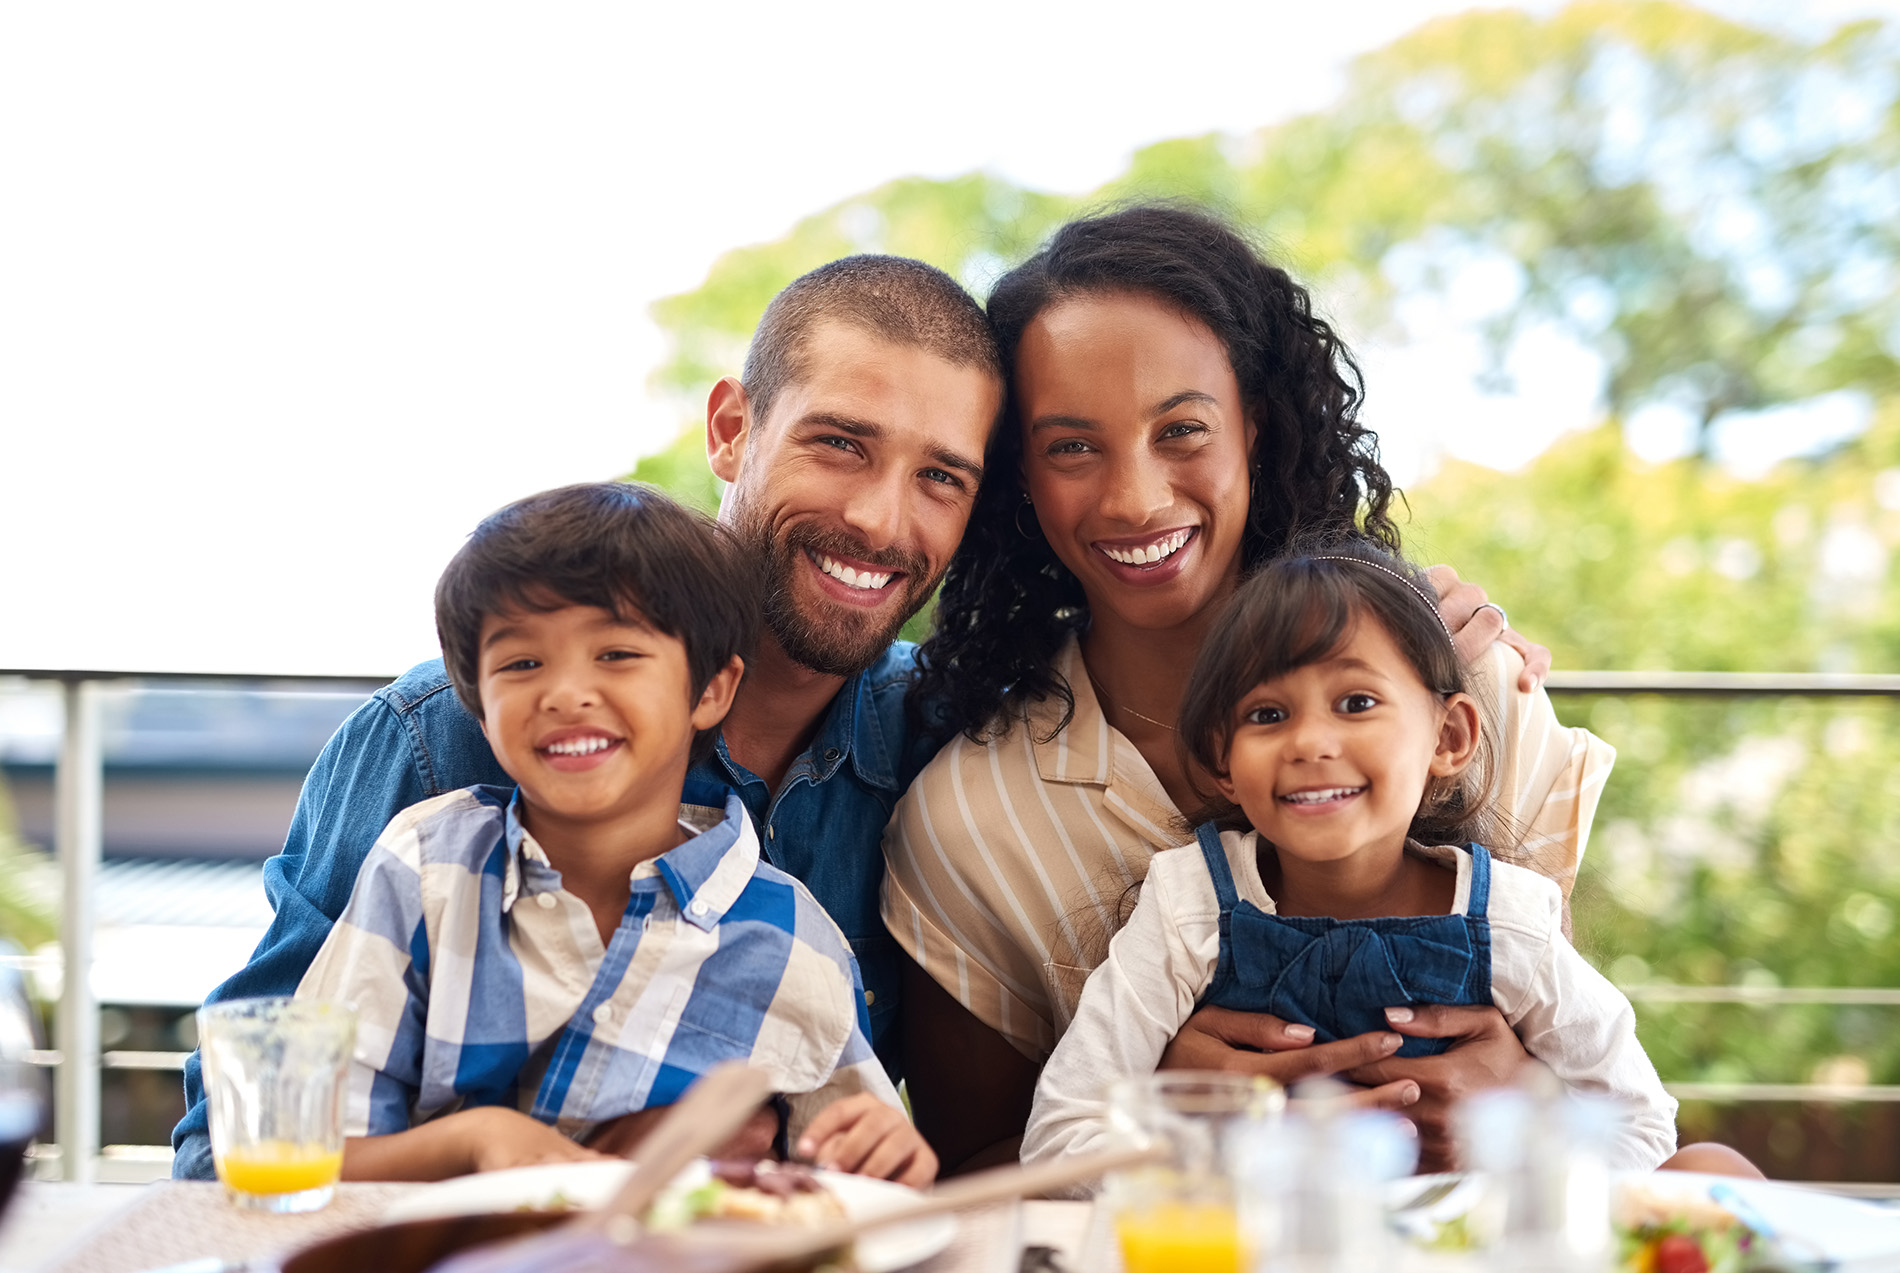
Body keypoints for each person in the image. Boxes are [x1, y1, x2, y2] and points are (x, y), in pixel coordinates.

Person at [172, 254, 1005, 1178]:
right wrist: (533, 1155)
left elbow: (877, 1163)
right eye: (840, 443)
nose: (882, 520)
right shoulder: (436, 741)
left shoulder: (950, 751)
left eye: (942, 477)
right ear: (732, 430)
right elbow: (230, 1155)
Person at [882, 204, 1613, 1174]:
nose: (1135, 497)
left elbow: (1608, 1087)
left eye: (1181, 429)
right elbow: (964, 1176)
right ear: (1020, 476)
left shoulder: (1469, 688)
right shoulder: (969, 822)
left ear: (1256, 429)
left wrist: (1526, 1104)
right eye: (1071, 447)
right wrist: (1160, 1119)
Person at [303, 482, 929, 1184]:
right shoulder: (424, 871)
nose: (566, 692)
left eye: (618, 655)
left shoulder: (796, 946)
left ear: (711, 691)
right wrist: (478, 1138)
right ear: (479, 708)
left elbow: (849, 1191)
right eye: (521, 663)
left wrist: (886, 1155)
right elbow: (305, 1153)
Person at [1023, 540, 1677, 1178]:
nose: (1309, 740)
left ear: (1449, 737)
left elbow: (1642, 1127)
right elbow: (1059, 1138)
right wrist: (1217, 1146)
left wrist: (1505, 1148)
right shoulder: (1187, 906)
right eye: (1268, 713)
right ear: (1223, 759)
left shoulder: (1509, 918)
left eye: (1356, 702)